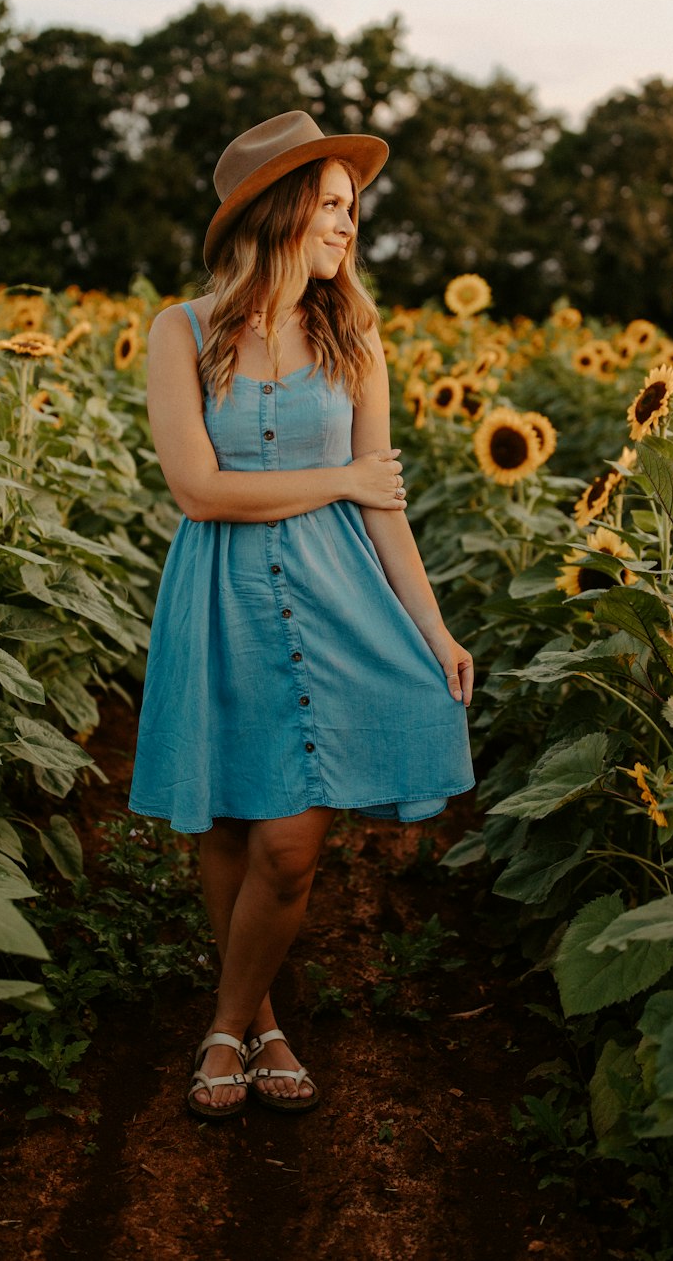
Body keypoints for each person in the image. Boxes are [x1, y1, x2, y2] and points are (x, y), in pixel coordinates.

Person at [128, 110, 474, 1121]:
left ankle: (224, 1028)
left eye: (352, 210)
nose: (346, 227)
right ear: (278, 211)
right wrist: (343, 476)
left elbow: (384, 503)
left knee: (290, 843)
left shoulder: (355, 334)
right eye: (330, 205)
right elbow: (197, 490)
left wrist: (434, 627)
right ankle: (261, 1013)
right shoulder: (180, 332)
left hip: (336, 596)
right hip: (218, 594)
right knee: (231, 821)